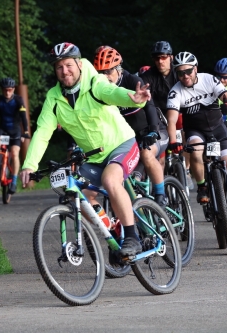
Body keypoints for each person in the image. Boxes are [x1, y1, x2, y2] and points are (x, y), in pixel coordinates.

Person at [19, 42, 152, 257]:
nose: (65, 71)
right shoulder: (53, 99)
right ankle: (112, 230)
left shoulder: (95, 83)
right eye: (59, 67)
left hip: (122, 145)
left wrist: (133, 98)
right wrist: (29, 165)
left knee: (110, 180)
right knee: (78, 194)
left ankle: (132, 237)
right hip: (94, 156)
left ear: (79, 64)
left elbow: (111, 92)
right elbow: (42, 132)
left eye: (69, 65)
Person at [166, 51, 227, 232]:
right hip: (196, 130)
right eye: (180, 73)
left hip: (218, 129)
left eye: (188, 71)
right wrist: (173, 141)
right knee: (195, 151)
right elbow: (171, 120)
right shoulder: (175, 91)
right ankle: (202, 187)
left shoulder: (209, 79)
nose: (184, 76)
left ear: (196, 69)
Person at [93, 45, 168, 206]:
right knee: (123, 175)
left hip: (153, 130)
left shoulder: (132, 81)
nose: (105, 77)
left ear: (119, 69)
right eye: (101, 73)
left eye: (109, 71)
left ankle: (161, 196)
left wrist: (153, 131)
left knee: (147, 154)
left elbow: (149, 106)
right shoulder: (101, 90)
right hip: (129, 139)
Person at [140, 41, 191, 182]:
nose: (160, 61)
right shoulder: (148, 76)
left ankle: (186, 168)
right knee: (160, 158)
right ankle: (160, 190)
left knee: (190, 134)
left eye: (163, 57)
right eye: (157, 58)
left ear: (171, 57)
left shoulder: (179, 73)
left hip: (179, 113)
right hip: (159, 118)